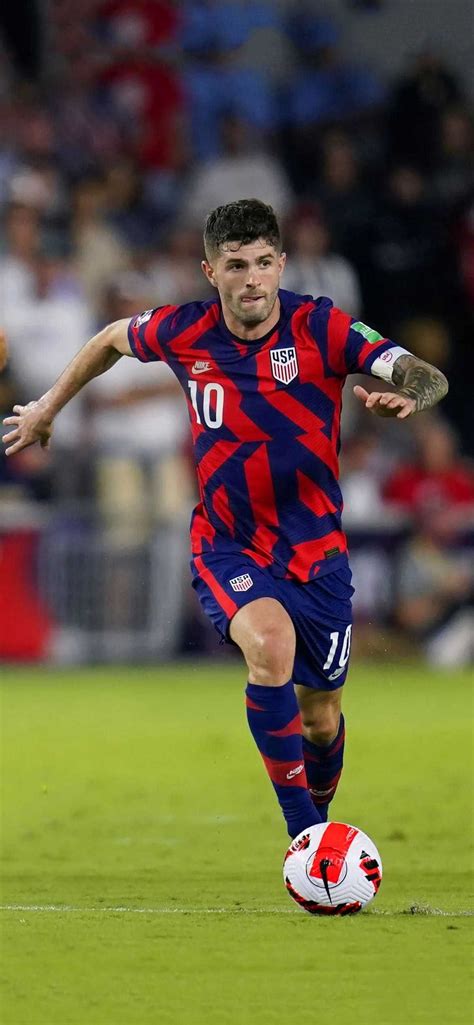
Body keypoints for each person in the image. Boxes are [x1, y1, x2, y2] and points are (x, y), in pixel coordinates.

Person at [2, 199, 449, 841]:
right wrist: (47, 407)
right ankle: (304, 839)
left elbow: (421, 373)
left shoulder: (322, 326)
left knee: (321, 718)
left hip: (317, 553)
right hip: (228, 543)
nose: (252, 280)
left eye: (264, 263)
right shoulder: (185, 330)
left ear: (282, 264)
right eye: (236, 266)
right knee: (269, 646)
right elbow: (109, 340)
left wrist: (407, 395)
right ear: (211, 272)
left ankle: (318, 824)